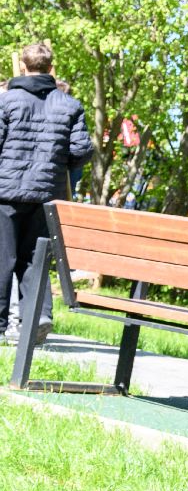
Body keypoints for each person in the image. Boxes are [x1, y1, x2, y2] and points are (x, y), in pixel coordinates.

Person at [0, 41, 91, 345]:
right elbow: (81, 150)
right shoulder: (70, 105)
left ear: (23, 67)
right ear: (51, 68)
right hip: (47, 196)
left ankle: (1, 324)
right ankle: (37, 317)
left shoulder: (6, 100)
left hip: (6, 193)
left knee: (3, 258)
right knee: (34, 259)